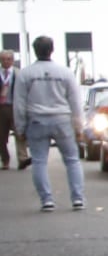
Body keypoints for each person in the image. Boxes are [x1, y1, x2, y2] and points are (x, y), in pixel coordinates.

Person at [17, 34, 87, 210]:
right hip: (62, 119)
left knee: (39, 161)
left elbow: (19, 103)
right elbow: (75, 102)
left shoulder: (26, 74)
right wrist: (79, 125)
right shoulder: (64, 72)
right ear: (52, 50)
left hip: (37, 121)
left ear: (34, 51)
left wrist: (20, 127)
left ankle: (47, 200)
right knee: (72, 160)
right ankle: (77, 198)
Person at [0, 49, 18, 170]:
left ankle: (23, 158)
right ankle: (5, 160)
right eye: (3, 59)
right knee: (1, 136)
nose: (5, 61)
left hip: (15, 107)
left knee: (20, 133)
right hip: (1, 108)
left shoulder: (18, 73)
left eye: (8, 59)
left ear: (12, 60)